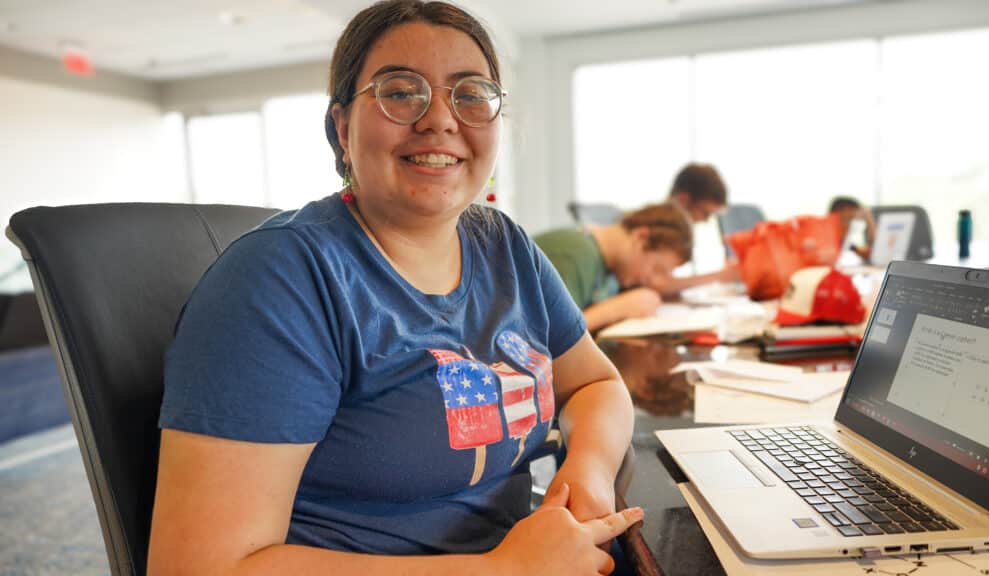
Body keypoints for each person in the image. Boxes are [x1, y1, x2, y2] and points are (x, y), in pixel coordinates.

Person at [147, 2, 642, 575]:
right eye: (401, 92)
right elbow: (196, 566)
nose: (440, 119)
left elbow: (597, 383)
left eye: (471, 93)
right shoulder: (281, 281)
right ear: (342, 128)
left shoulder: (504, 245)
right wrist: (499, 571)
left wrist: (589, 467)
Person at [534, 203, 692, 332]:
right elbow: (549, 336)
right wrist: (617, 308)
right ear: (641, 238)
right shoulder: (573, 256)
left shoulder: (608, 268)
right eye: (656, 268)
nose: (650, 279)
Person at [650, 162, 741, 295]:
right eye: (705, 213)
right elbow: (656, 283)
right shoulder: (657, 228)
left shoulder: (672, 231)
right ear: (683, 200)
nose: (704, 221)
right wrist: (720, 276)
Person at [828, 196, 876, 262]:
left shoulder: (850, 246)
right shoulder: (828, 246)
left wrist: (869, 221)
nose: (849, 226)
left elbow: (874, 254)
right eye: (848, 219)